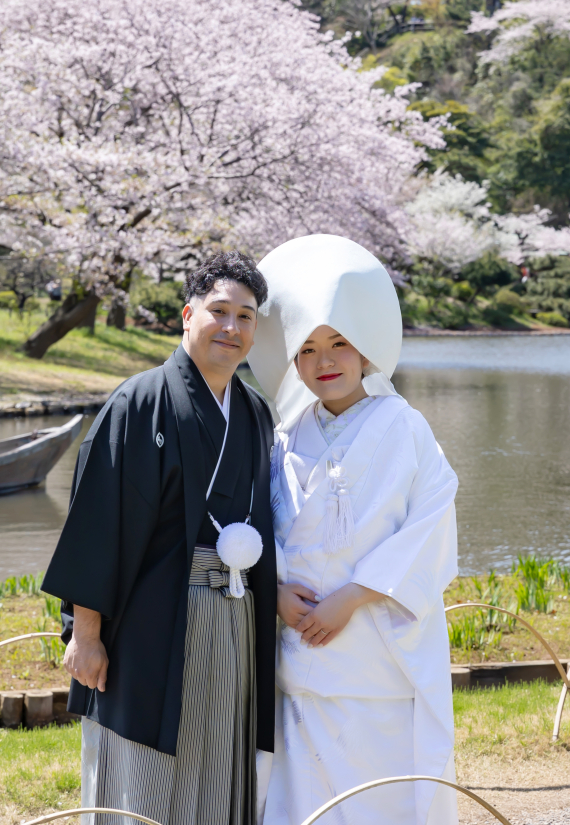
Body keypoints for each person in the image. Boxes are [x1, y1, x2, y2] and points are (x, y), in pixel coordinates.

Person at [42, 252, 277, 825]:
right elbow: (100, 522)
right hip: (150, 621)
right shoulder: (140, 401)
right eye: (218, 311)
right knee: (146, 761)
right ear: (187, 315)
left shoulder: (254, 412)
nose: (231, 327)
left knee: (221, 752)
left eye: (246, 317)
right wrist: (88, 633)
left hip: (233, 615)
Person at [248, 234, 459, 825]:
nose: (326, 361)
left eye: (340, 343)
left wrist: (353, 596)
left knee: (377, 789)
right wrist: (277, 591)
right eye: (309, 349)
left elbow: (432, 520)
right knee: (303, 786)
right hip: (301, 648)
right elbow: (268, 526)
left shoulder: (404, 425)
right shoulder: (287, 435)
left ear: (366, 350)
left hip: (374, 643)